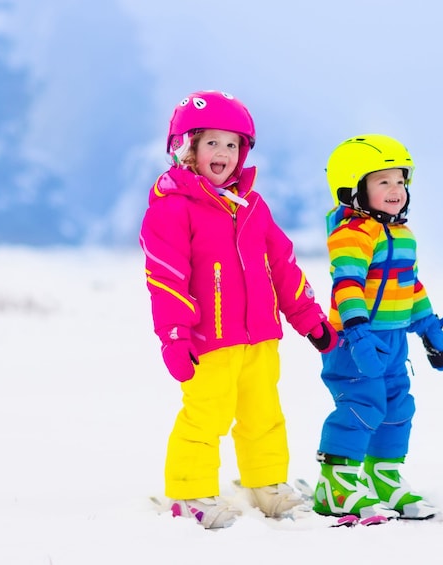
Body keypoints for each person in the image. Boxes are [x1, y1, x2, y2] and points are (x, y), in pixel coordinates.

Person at [139, 90, 338, 529]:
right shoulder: (173, 209)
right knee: (205, 416)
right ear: (186, 147)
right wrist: (175, 335)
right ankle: (189, 492)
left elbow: (283, 266)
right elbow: (165, 277)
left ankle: (264, 485)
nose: (224, 154)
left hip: (260, 338)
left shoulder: (252, 206)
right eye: (212, 143)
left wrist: (309, 318)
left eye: (233, 145)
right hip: (207, 340)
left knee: (263, 415)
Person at [310, 134, 443, 521]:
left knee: (397, 405)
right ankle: (334, 484)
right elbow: (347, 284)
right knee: (361, 404)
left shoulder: (403, 236)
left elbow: (411, 286)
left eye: (401, 181)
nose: (396, 190)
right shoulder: (351, 235)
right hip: (354, 340)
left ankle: (382, 476)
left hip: (392, 341)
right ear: (354, 189)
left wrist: (429, 329)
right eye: (383, 182)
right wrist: (356, 334)